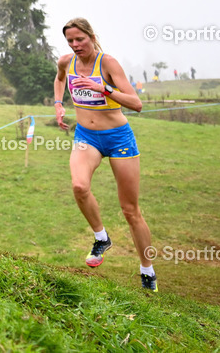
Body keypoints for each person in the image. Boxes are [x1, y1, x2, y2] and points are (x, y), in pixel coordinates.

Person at [54, 18, 156, 292]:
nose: (75, 45)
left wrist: (105, 89)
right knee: (78, 186)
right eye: (70, 41)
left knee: (130, 210)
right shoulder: (66, 61)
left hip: (119, 138)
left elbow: (137, 104)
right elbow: (60, 78)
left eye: (80, 40)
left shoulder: (107, 63)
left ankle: (147, 271)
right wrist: (58, 105)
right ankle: (101, 238)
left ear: (91, 36)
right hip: (87, 137)